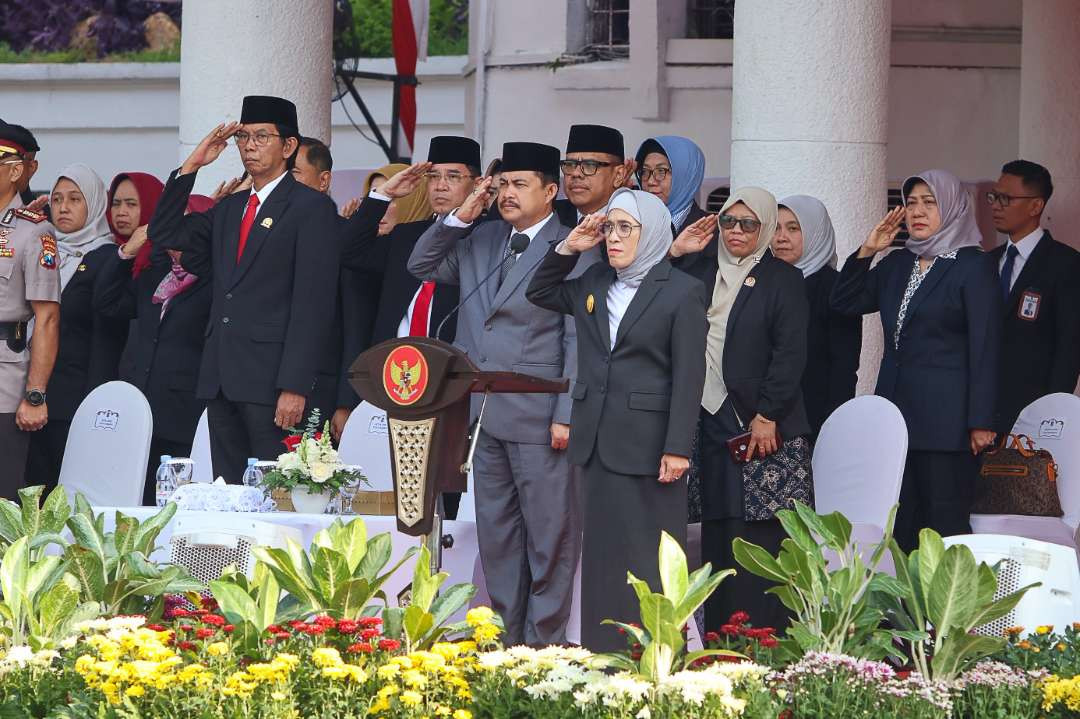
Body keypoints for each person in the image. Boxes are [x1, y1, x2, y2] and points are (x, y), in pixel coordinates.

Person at [409, 141, 588, 647]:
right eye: (502, 184)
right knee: (498, 536)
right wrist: (460, 218)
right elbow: (421, 265)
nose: (508, 194)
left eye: (520, 184)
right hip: (478, 414)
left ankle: (545, 642)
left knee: (549, 536)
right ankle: (506, 639)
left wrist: (566, 412)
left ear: (551, 191)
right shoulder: (482, 238)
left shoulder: (570, 246)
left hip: (539, 414)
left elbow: (575, 338)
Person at [526, 188, 707, 651]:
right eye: (610, 227)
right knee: (603, 555)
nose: (613, 238)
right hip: (595, 439)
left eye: (626, 228)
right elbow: (539, 289)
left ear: (651, 234)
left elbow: (689, 374)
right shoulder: (593, 283)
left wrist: (678, 446)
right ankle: (602, 656)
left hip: (650, 444)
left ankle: (656, 655)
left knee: (649, 554)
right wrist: (569, 247)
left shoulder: (682, 291)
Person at [147, 95, 341, 482]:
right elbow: (164, 232)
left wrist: (295, 386)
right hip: (222, 376)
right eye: (244, 137)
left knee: (276, 494)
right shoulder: (232, 209)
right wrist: (192, 166)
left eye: (262, 137)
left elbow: (313, 304)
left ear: (288, 147)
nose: (249, 146)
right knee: (232, 494)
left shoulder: (310, 208)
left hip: (273, 381)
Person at [832, 169, 1000, 551]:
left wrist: (981, 421)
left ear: (953, 207)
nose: (917, 211)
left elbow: (986, 346)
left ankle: (946, 611)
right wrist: (867, 251)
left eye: (929, 202)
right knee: (899, 525)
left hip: (948, 425)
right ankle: (901, 611)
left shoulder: (973, 266)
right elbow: (843, 303)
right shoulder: (897, 264)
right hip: (895, 419)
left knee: (944, 526)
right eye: (911, 202)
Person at [698, 187, 811, 633]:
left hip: (763, 425)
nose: (737, 231)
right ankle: (720, 634)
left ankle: (767, 637)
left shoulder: (783, 279)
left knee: (762, 532)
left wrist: (768, 414)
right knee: (720, 528)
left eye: (749, 224)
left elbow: (790, 352)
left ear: (763, 230)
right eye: (729, 222)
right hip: (711, 416)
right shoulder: (700, 271)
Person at [93, 196, 212, 504]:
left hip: (181, 413)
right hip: (138, 409)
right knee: (130, 502)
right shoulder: (155, 276)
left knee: (171, 504)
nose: (175, 243)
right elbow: (107, 303)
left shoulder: (215, 283)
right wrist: (126, 252)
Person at [25, 164, 129, 490]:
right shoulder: (44, 250)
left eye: (74, 199)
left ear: (95, 204)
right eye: (56, 199)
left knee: (67, 493)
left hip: (75, 398)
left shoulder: (109, 257)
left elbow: (106, 336)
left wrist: (93, 403)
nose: (63, 207)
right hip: (30, 393)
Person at [289, 138, 383, 442]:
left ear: (323, 180)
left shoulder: (345, 239)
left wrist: (345, 401)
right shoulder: (269, 234)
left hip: (322, 393)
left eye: (294, 173)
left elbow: (355, 324)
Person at [987, 160, 1080, 432]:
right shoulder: (986, 263)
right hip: (981, 420)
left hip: (1033, 417)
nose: (995, 205)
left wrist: (1050, 416)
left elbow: (1069, 348)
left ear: (1035, 206)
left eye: (1006, 198)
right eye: (993, 196)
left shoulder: (1066, 264)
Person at [0, 125, 60, 498]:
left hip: (5, 378)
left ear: (16, 170)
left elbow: (48, 317)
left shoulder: (35, 233)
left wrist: (35, 394)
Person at [774, 195, 861, 436]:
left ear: (816, 232)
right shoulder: (766, 283)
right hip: (765, 421)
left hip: (814, 420)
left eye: (793, 228)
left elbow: (844, 367)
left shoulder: (835, 289)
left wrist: (833, 426)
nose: (781, 238)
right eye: (776, 228)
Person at [554, 124, 633, 228]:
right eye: (570, 164)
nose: (576, 173)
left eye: (589, 165)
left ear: (618, 175)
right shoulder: (550, 216)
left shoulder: (635, 219)